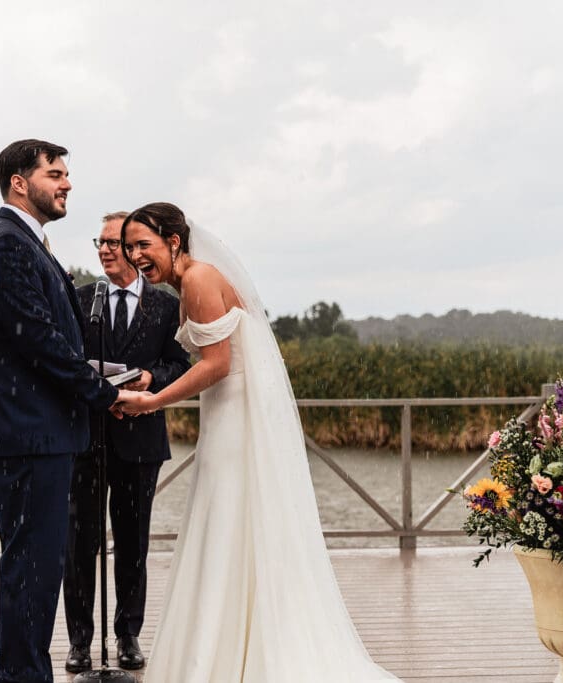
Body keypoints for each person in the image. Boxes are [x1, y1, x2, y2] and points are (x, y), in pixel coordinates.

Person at [116, 203, 401, 682]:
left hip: (236, 413)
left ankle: (228, 655)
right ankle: (226, 646)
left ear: (174, 240)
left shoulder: (201, 278)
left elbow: (217, 364)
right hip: (226, 412)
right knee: (228, 521)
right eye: (129, 248)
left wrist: (154, 401)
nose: (135, 256)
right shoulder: (190, 281)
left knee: (228, 517)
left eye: (143, 245)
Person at [0, 139, 126, 683]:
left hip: (39, 433)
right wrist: (104, 393)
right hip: (27, 434)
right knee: (31, 573)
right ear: (20, 182)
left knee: (36, 572)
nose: (67, 184)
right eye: (55, 174)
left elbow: (56, 340)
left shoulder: (27, 243)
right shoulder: (8, 245)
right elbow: (39, 340)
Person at [63, 212, 191, 673]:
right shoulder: (80, 300)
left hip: (141, 442)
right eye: (99, 242)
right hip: (85, 439)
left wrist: (152, 377)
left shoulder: (165, 305)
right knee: (79, 543)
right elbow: (64, 361)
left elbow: (180, 364)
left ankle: (128, 636)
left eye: (115, 242)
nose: (105, 250)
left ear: (135, 248)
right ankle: (79, 641)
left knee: (133, 543)